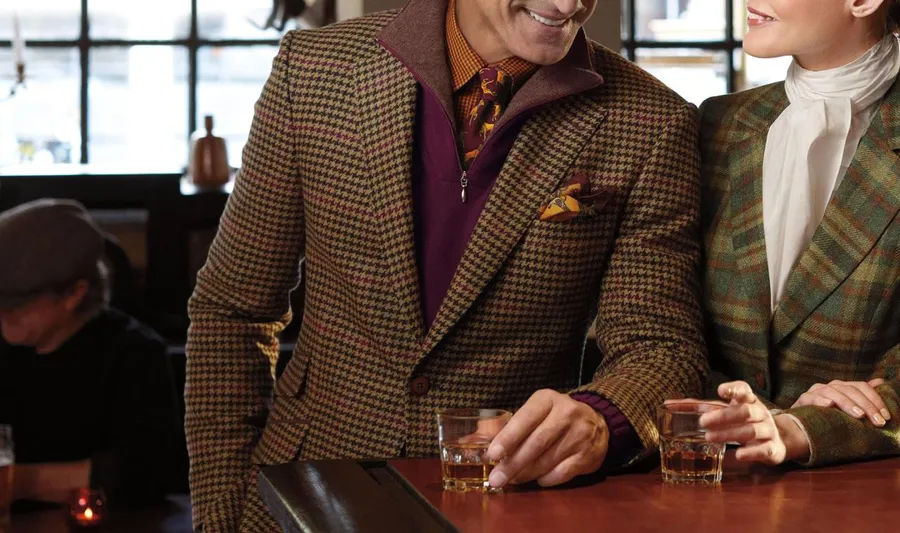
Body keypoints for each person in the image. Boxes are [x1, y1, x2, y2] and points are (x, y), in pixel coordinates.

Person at [186, 0, 707, 530]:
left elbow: (661, 348)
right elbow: (232, 309)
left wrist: (602, 416)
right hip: (300, 491)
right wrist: (223, 511)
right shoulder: (316, 68)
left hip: (508, 503)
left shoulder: (652, 120)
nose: (568, 4)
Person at [699, 0, 900, 466]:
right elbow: (668, 324)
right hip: (708, 472)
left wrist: (811, 427)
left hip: (866, 488)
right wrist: (749, 414)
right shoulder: (718, 123)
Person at [0, 199, 181, 506]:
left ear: (73, 293)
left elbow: (149, 471)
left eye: (15, 305)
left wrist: (19, 482)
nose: (2, 313)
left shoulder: (133, 354)